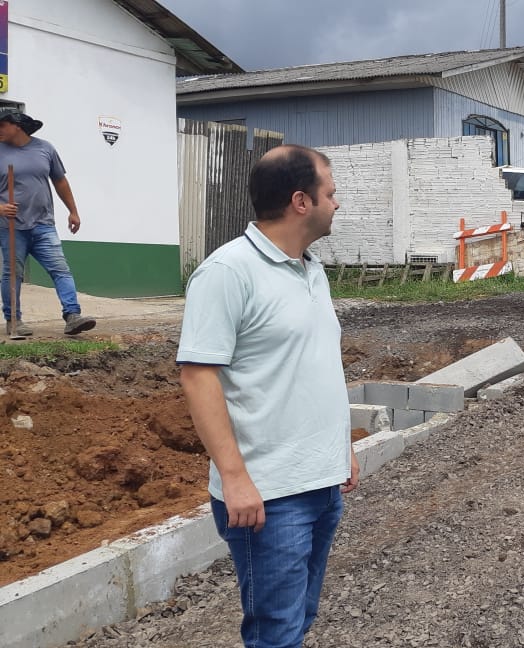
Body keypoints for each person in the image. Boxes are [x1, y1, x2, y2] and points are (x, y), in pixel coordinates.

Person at [177, 144, 360, 648]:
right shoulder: (227, 273)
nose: (337, 204)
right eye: (331, 193)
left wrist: (339, 446)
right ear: (301, 201)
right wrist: (234, 478)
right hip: (268, 497)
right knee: (275, 633)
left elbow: (311, 366)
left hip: (321, 484)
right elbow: (198, 376)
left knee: (298, 618)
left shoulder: (311, 269)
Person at [0, 108, 96, 336]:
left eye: (2, 125)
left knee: (60, 270)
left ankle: (72, 316)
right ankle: (14, 320)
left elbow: (60, 181)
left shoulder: (45, 149)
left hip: (43, 224)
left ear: (17, 125)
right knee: (12, 273)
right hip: (10, 226)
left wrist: (73, 211)